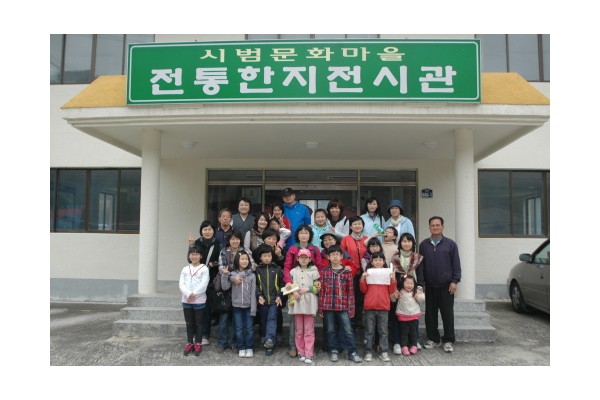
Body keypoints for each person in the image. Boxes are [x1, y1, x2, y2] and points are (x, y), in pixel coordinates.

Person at [417, 216, 461, 353]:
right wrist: (421, 283)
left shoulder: (450, 244)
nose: (435, 227)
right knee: (430, 315)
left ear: (443, 227)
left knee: (447, 314)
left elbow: (456, 264)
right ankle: (434, 339)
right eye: (432, 225)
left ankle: (448, 340)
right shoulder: (424, 245)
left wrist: (455, 281)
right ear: (429, 227)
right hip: (430, 286)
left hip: (446, 286)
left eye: (437, 225)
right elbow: (420, 266)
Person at [283, 224, 324, 357]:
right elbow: (287, 268)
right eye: (301, 232)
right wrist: (289, 285)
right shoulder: (293, 248)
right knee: (295, 323)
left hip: (309, 291)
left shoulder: (314, 249)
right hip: (295, 290)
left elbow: (320, 268)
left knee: (307, 326)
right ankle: (294, 347)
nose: (304, 235)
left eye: (306, 233)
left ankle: (308, 351)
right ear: (297, 235)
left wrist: (317, 283)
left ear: (310, 235)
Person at [318, 245, 362, 363]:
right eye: (332, 255)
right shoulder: (324, 272)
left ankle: (352, 352)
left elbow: (350, 292)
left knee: (348, 330)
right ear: (328, 257)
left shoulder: (347, 272)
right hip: (328, 306)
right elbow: (321, 291)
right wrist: (320, 308)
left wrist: (351, 308)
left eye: (337, 254)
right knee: (330, 330)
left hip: (343, 306)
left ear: (342, 256)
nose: (335, 257)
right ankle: (334, 350)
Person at [215, 229, 251, 353]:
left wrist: (240, 276)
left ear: (240, 240)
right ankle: (222, 342)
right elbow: (221, 268)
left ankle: (234, 343)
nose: (235, 241)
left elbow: (252, 266)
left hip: (241, 287)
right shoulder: (224, 251)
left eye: (237, 239)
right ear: (228, 240)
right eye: (232, 239)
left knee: (237, 319)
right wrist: (232, 277)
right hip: (226, 287)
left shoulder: (245, 251)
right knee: (224, 317)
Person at [188, 220, 221, 345]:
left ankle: (205, 335)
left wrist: (214, 264)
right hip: (196, 281)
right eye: (205, 229)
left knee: (206, 309)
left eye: (210, 229)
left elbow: (222, 261)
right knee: (196, 309)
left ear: (214, 231)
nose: (207, 232)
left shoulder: (218, 244)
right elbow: (190, 260)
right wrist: (191, 246)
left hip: (211, 281)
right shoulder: (196, 243)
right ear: (201, 231)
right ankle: (195, 334)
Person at [390, 232, 424, 354]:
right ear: (400, 243)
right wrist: (394, 289)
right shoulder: (395, 258)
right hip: (399, 291)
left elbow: (421, 274)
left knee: (413, 316)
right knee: (396, 316)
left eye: (409, 241)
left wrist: (419, 288)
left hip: (412, 290)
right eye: (404, 241)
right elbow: (392, 275)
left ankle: (413, 341)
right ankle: (397, 342)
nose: (406, 243)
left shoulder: (418, 258)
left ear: (413, 243)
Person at [360, 251, 396, 362]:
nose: (378, 262)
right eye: (375, 260)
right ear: (371, 262)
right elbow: (363, 290)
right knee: (369, 331)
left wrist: (393, 279)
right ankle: (368, 352)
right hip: (370, 306)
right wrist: (363, 279)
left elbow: (391, 290)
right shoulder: (368, 272)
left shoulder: (387, 273)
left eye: (380, 260)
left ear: (384, 261)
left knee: (383, 331)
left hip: (383, 306)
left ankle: (383, 351)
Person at [286, 248, 321, 364]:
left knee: (309, 330)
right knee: (299, 330)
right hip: (297, 302)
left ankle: (309, 353)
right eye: (301, 257)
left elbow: (318, 288)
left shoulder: (314, 272)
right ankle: (300, 351)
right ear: (297, 259)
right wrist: (293, 291)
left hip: (309, 304)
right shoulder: (293, 272)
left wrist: (308, 288)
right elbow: (288, 286)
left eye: (306, 258)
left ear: (310, 259)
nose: (304, 260)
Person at [221, 250, 256, 358]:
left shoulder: (252, 275)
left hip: (248, 306)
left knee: (249, 328)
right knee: (239, 328)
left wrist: (253, 308)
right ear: (237, 260)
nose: (245, 261)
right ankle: (241, 347)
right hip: (236, 306)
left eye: (246, 259)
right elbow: (225, 287)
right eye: (242, 259)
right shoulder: (232, 274)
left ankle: (249, 347)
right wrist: (225, 275)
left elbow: (253, 293)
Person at [340, 216, 369, 333]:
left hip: (364, 273)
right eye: (355, 224)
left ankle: (359, 321)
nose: (357, 226)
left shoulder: (366, 239)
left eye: (359, 224)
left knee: (361, 297)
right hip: (350, 272)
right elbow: (342, 255)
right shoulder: (346, 239)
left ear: (363, 226)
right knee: (351, 297)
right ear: (351, 227)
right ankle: (350, 322)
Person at [179, 246, 210, 356]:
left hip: (199, 301)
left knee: (199, 323)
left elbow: (204, 284)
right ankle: (189, 343)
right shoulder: (185, 269)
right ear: (189, 256)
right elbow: (181, 283)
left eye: (197, 254)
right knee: (189, 323)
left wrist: (194, 294)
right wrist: (188, 294)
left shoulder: (204, 268)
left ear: (201, 256)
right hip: (186, 300)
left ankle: (198, 343)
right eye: (192, 254)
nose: (194, 256)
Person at [254, 244, 283, 356]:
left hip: (274, 300)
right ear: (260, 257)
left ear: (272, 256)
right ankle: (264, 337)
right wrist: (259, 295)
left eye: (269, 256)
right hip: (262, 301)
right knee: (263, 320)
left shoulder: (277, 269)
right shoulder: (257, 270)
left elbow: (281, 284)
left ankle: (270, 340)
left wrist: (279, 295)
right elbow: (255, 285)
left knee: (272, 319)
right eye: (264, 256)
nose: (267, 258)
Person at [395, 275, 425, 356]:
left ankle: (414, 345)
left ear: (414, 284)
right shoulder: (400, 291)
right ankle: (404, 346)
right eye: (407, 283)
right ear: (403, 283)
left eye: (411, 284)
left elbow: (422, 299)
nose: (409, 285)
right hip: (403, 316)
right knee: (404, 333)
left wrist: (418, 296)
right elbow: (393, 298)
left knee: (413, 332)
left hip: (414, 316)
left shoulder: (416, 291)